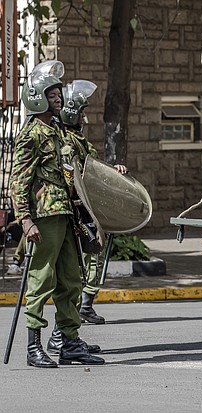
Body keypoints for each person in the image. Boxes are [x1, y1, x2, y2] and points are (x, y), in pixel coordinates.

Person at [9, 60, 104, 368]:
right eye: (52, 95)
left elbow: (73, 170)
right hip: (44, 217)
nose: (58, 99)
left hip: (66, 215)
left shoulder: (60, 132)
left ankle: (70, 341)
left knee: (71, 280)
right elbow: (18, 180)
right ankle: (34, 345)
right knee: (41, 279)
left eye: (58, 94)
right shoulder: (32, 134)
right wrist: (24, 219)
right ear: (37, 98)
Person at [46, 79, 128, 355]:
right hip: (70, 215)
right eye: (81, 112)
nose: (85, 118)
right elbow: (73, 176)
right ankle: (61, 336)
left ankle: (64, 336)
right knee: (71, 278)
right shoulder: (63, 139)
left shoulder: (77, 139)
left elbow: (92, 170)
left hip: (81, 214)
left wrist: (112, 171)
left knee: (75, 277)